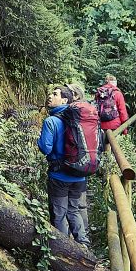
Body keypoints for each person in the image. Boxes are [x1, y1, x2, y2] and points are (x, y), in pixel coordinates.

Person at [37, 85, 90, 246]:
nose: (50, 96)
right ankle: (84, 244)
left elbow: (46, 148)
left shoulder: (51, 121)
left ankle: (62, 250)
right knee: (74, 210)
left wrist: (38, 141)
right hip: (79, 175)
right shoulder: (79, 119)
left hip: (59, 176)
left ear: (65, 100)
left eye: (55, 94)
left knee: (59, 214)